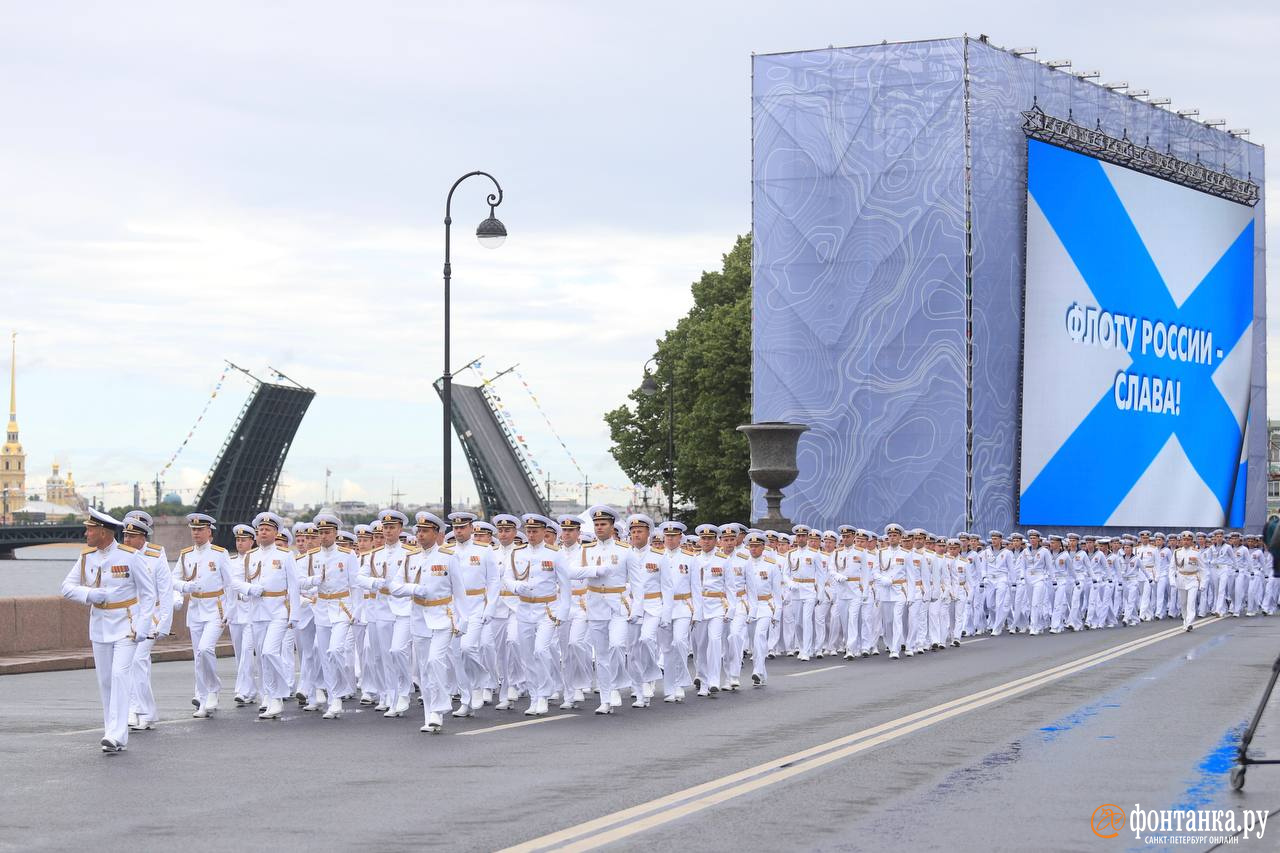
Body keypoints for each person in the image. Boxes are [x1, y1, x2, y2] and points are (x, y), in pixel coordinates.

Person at [60, 509, 156, 753]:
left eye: (90, 529)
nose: (86, 533)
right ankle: (110, 729)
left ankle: (117, 734)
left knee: (120, 675)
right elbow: (67, 587)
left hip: (127, 625)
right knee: (105, 681)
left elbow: (148, 593)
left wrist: (144, 624)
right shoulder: (86, 557)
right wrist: (89, 594)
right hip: (100, 625)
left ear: (103, 531)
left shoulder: (130, 556)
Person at [390, 511, 464, 733]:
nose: (420, 535)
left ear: (437, 533)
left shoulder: (448, 558)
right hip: (419, 616)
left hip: (443, 615)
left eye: (425, 531)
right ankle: (430, 714)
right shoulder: (410, 558)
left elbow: (460, 592)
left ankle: (439, 709)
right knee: (423, 668)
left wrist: (463, 620)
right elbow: (394, 586)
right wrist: (414, 589)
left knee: (435, 661)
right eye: (418, 531)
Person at [173, 512, 244, 718]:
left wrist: (231, 609)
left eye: (200, 530)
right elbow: (172, 579)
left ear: (209, 532)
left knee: (205, 649)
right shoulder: (186, 554)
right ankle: (203, 698)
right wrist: (185, 586)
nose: (196, 533)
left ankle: (213, 688)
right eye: (193, 530)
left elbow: (230, 583)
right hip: (195, 608)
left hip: (216, 608)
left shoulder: (219, 553)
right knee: (198, 655)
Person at [301, 513, 360, 719]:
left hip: (342, 606)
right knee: (323, 652)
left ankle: (340, 690)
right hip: (321, 607)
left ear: (335, 533)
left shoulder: (347, 555)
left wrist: (357, 610)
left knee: (335, 650)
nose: (324, 536)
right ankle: (334, 697)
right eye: (321, 532)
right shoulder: (311, 556)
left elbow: (355, 583)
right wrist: (313, 580)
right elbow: (299, 582)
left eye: (327, 532)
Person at [120, 511, 174, 732]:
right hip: (126, 618)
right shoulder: (121, 554)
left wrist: (164, 623)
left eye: (131, 536)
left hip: (150, 618)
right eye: (124, 536)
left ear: (143, 536)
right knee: (129, 666)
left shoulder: (155, 555)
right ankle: (141, 711)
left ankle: (142, 712)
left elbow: (166, 590)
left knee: (137, 662)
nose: (126, 540)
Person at [244, 512, 300, 720]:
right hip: (257, 611)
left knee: (269, 652)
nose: (263, 532)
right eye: (260, 530)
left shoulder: (285, 556)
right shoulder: (251, 556)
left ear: (276, 533)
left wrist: (294, 614)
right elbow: (237, 582)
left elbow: (294, 587)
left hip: (278, 610)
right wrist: (248, 589)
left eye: (267, 529)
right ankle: (269, 695)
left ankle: (279, 693)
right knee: (262, 657)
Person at [580, 505, 636, 715]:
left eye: (603, 524)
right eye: (596, 525)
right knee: (601, 654)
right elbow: (572, 571)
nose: (599, 528)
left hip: (618, 604)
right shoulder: (586, 550)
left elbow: (636, 581)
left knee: (617, 645)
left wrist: (636, 607)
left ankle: (616, 684)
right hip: (595, 605)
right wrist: (594, 570)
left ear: (612, 526)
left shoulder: (624, 550)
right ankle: (606, 697)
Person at [742, 531, 783, 686]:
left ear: (763, 547)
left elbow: (777, 592)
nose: (753, 549)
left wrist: (777, 613)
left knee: (760, 636)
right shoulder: (744, 564)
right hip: (749, 605)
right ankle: (761, 672)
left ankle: (757, 671)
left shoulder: (772, 566)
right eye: (751, 546)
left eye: (756, 546)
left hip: (766, 605)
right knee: (753, 641)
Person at [228, 523, 261, 708]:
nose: (240, 543)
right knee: (240, 653)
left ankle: (242, 690)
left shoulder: (256, 559)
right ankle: (249, 690)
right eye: (238, 540)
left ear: (252, 541)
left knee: (248, 651)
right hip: (236, 611)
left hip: (252, 610)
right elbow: (227, 588)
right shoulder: (231, 562)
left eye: (244, 540)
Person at [1173, 531, 1208, 632]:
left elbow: (1203, 569)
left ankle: (1189, 622)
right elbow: (1172, 568)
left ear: (1192, 541)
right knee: (1183, 603)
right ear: (1181, 541)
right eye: (1184, 540)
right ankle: (1185, 620)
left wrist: (1203, 583)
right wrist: (1172, 581)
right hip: (1181, 579)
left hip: (1193, 579)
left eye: (1188, 540)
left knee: (1191, 602)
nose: (1186, 542)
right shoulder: (1177, 552)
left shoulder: (1196, 552)